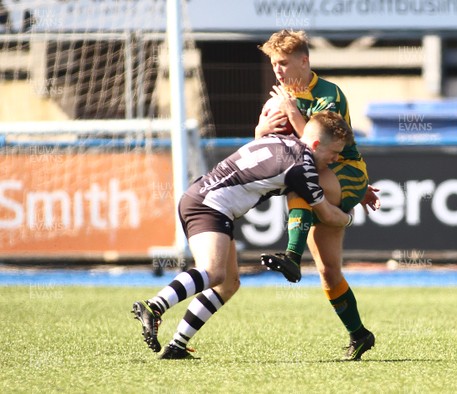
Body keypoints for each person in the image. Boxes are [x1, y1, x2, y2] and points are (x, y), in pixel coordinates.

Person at [132, 111, 355, 359]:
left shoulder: (283, 140)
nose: (335, 159)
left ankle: (176, 346)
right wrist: (349, 215)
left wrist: (261, 128)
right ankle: (154, 307)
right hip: (209, 205)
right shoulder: (302, 168)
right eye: (334, 152)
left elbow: (260, 145)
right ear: (315, 145)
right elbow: (326, 214)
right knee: (214, 272)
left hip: (205, 199)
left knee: (228, 284)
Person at [255, 29, 379, 361]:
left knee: (299, 180)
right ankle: (360, 334)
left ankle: (292, 257)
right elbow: (263, 143)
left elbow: (318, 146)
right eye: (273, 64)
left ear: (304, 61)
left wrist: (291, 109)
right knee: (328, 270)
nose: (278, 70)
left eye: (283, 63)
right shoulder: (279, 98)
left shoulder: (328, 94)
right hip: (323, 180)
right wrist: (260, 131)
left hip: (347, 172)